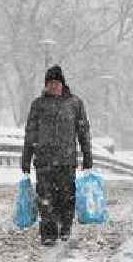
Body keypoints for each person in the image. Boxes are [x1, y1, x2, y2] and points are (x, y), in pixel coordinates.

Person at [21, 65, 92, 246]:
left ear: (62, 84)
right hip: (44, 160)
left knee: (66, 197)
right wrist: (26, 157)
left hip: (66, 161)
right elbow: (31, 132)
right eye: (50, 83)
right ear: (46, 85)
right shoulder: (38, 105)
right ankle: (48, 233)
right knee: (45, 198)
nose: (54, 86)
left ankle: (65, 226)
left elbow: (83, 131)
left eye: (57, 83)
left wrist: (87, 154)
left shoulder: (75, 104)